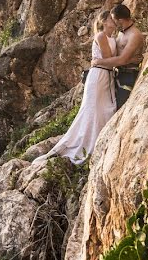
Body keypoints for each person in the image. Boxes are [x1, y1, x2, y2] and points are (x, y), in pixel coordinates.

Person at [36, 11, 118, 165]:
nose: (114, 21)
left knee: (105, 109)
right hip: (98, 76)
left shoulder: (113, 38)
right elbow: (108, 59)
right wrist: (107, 61)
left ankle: (99, 140)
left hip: (107, 76)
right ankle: (85, 145)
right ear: (104, 22)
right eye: (111, 19)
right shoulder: (100, 36)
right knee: (92, 110)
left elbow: (109, 60)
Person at [92, 3, 144, 108]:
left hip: (128, 75)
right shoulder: (121, 32)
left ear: (120, 20)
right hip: (116, 75)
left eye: (114, 20)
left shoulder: (134, 35)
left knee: (119, 106)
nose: (114, 23)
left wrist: (98, 62)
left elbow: (122, 60)